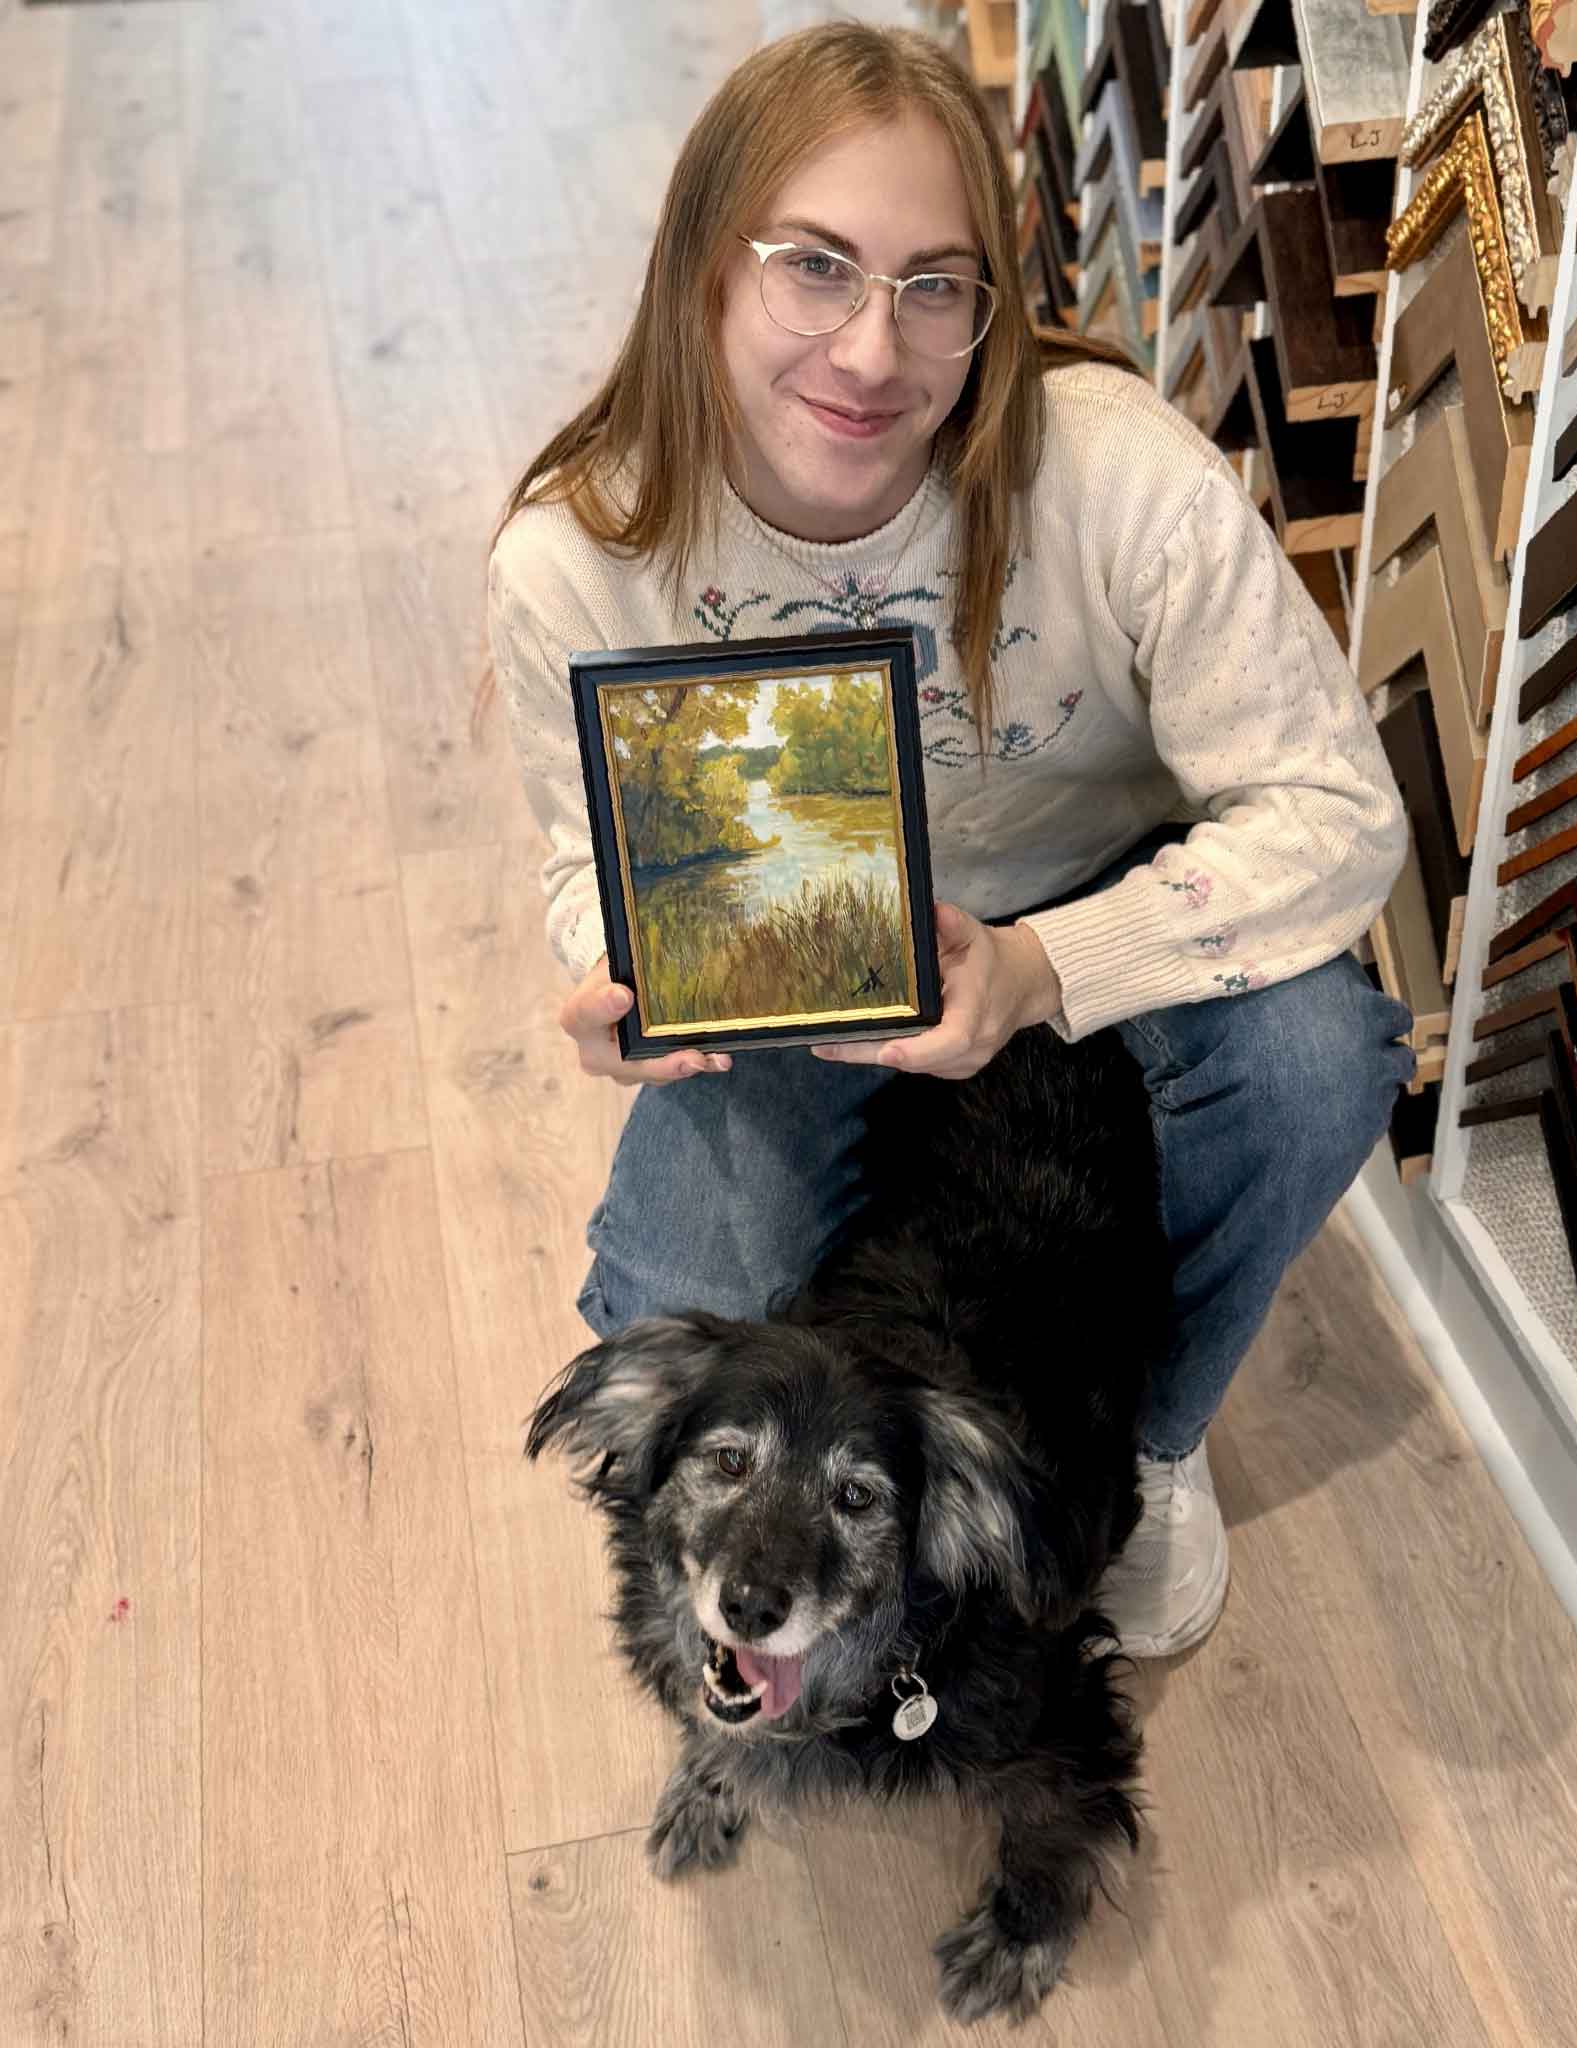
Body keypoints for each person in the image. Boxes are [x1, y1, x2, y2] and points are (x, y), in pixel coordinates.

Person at [480, 23, 1414, 1659]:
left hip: (1101, 915)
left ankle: (1148, 1439)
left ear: (991, 305)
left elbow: (1342, 813)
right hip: (791, 951)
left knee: (1322, 1061)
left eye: (935, 284)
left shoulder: (1117, 476)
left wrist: (1052, 965)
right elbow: (585, 846)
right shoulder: (579, 553)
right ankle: (879, 1437)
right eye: (814, 267)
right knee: (664, 1328)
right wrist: (610, 962)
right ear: (703, 267)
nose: (871, 350)